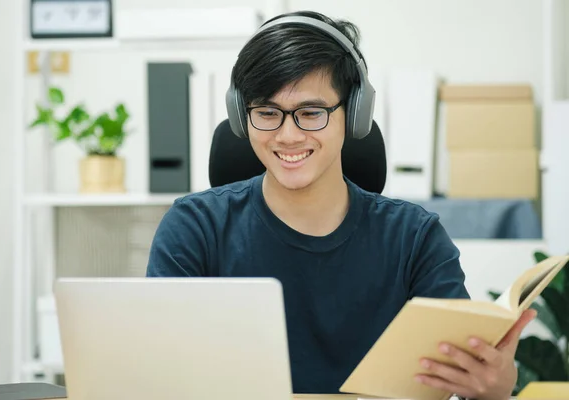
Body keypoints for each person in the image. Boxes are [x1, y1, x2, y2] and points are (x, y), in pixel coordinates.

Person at [146, 10, 535, 400]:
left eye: (311, 113)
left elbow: (462, 375)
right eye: (266, 113)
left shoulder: (414, 238)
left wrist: (493, 390)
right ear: (240, 116)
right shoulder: (194, 228)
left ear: (354, 115)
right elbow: (157, 373)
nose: (288, 135)